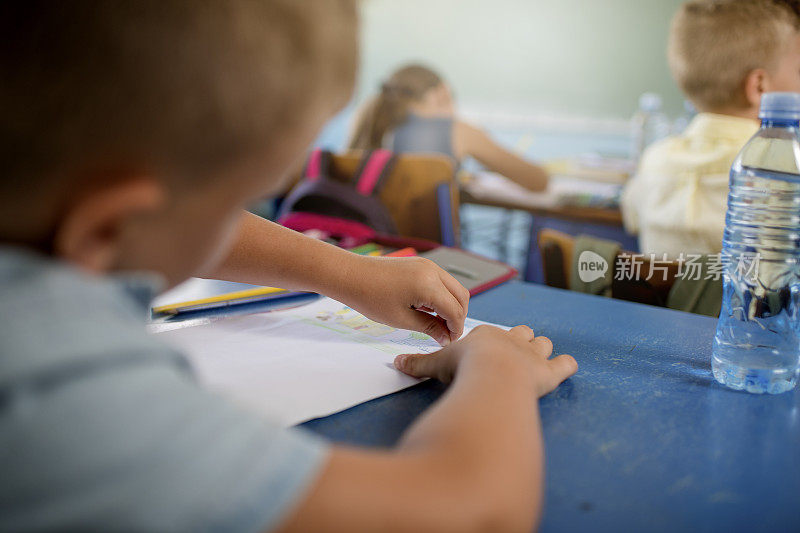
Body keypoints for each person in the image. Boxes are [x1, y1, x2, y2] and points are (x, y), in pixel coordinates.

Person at [0, 1, 577, 532]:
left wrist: (349, 274)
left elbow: (161, 217)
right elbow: (470, 513)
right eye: (238, 204)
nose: (241, 221)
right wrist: (498, 366)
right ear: (106, 229)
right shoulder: (57, 397)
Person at [621, 0, 800, 259]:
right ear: (759, 87)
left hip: (657, 299)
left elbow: (632, 219)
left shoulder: (654, 159)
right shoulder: (784, 168)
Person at [348, 64, 550, 191]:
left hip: (376, 249)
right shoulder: (457, 131)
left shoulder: (372, 123)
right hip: (435, 255)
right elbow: (538, 181)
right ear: (442, 92)